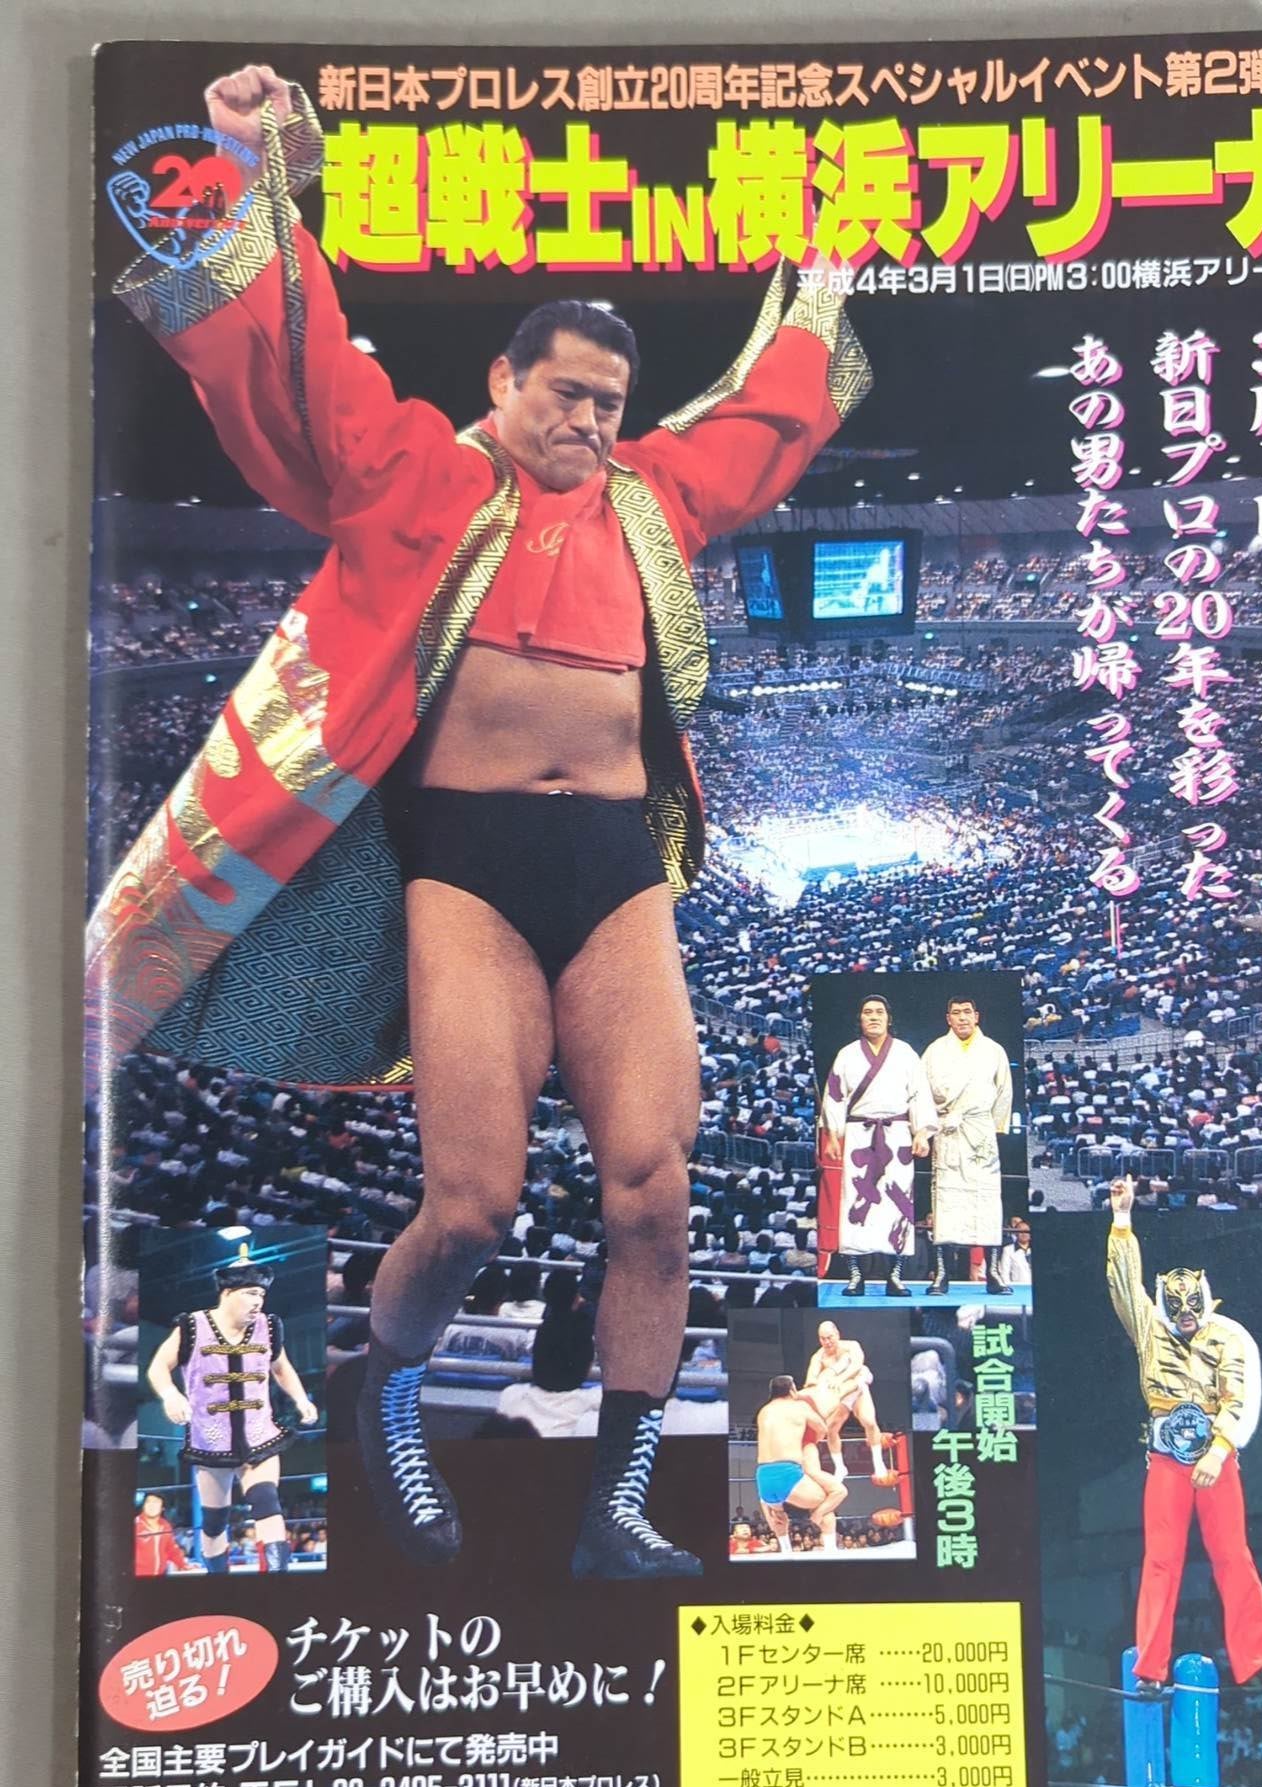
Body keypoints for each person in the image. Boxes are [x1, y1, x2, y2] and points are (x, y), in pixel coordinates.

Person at [90, 63, 870, 1579]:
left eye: (610, 403)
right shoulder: (413, 475)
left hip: (614, 871)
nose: (589, 419)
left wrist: (825, 272)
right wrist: (251, 174)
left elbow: (765, 416)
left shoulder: (653, 499)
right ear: (505, 382)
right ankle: (384, 1396)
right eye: (565, 392)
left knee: (656, 1191)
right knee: (470, 1206)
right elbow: (303, 368)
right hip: (465, 866)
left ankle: (617, 1508)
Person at [1105, 1175, 1262, 1695]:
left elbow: (1238, 1397)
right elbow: (1124, 1285)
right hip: (1166, 1460)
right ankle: (1150, 1669)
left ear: (1206, 1300)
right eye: (1176, 1306)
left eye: (1192, 1306)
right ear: (1164, 1303)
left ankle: (1258, 1661)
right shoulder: (1149, 1329)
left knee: (1233, 1555)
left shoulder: (1228, 1337)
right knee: (1161, 1561)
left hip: (1216, 1458)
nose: (1185, 1315)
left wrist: (1220, 1450)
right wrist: (1122, 1219)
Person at [146, 1254, 319, 1575]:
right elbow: (158, 1367)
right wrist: (170, 1394)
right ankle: (219, 1581)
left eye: (262, 1294)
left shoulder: (268, 1327)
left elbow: (282, 1368)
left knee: (267, 1502)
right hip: (211, 1442)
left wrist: (300, 1399)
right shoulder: (192, 1326)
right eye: (251, 1293)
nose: (258, 1302)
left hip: (260, 1435)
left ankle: (277, 1584)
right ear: (227, 1293)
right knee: (214, 1521)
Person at [819, 996, 936, 1297]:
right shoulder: (847, 1054)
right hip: (858, 1134)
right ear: (860, 1019)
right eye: (867, 1012)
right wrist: (832, 1135)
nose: (873, 1017)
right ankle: (855, 1275)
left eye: (879, 1012)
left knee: (899, 1204)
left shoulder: (905, 1053)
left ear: (888, 1018)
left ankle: (895, 1276)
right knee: (855, 1204)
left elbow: (920, 1095)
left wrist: (922, 1133)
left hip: (897, 1136)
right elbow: (834, 1097)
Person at [921, 998, 1013, 1294]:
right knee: (945, 1202)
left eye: (967, 1012)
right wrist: (927, 1127)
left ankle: (993, 1272)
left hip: (980, 1131)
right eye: (956, 1013)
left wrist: (994, 1128)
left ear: (977, 1016)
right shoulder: (935, 1050)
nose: (962, 1018)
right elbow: (921, 1093)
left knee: (987, 1201)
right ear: (948, 1018)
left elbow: (1004, 1092)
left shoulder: (993, 1050)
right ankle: (942, 1273)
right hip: (947, 1130)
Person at [753, 1375, 847, 1555]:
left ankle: (786, 1551)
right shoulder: (800, 1407)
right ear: (792, 1390)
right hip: (788, 1472)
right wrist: (809, 1441)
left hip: (763, 1477)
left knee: (778, 1515)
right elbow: (822, 1429)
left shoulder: (764, 1411)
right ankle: (830, 1550)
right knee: (828, 1501)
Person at [803, 1320, 891, 1480]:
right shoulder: (818, 1357)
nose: (827, 1342)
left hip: (856, 1388)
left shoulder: (851, 1346)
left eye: (829, 1337)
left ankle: (878, 1463)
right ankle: (840, 1468)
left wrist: (840, 1379)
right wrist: (820, 1384)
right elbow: (811, 1380)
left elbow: (857, 1365)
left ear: (837, 1334)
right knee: (831, 1428)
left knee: (869, 1421)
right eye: (823, 1338)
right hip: (839, 1395)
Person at [133, 1491, 191, 1578]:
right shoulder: (135, 1525)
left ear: (162, 1508)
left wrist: (184, 1565)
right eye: (148, 1502)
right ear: (143, 1506)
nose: (152, 1506)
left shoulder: (166, 1526)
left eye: (156, 1503)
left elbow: (172, 1550)